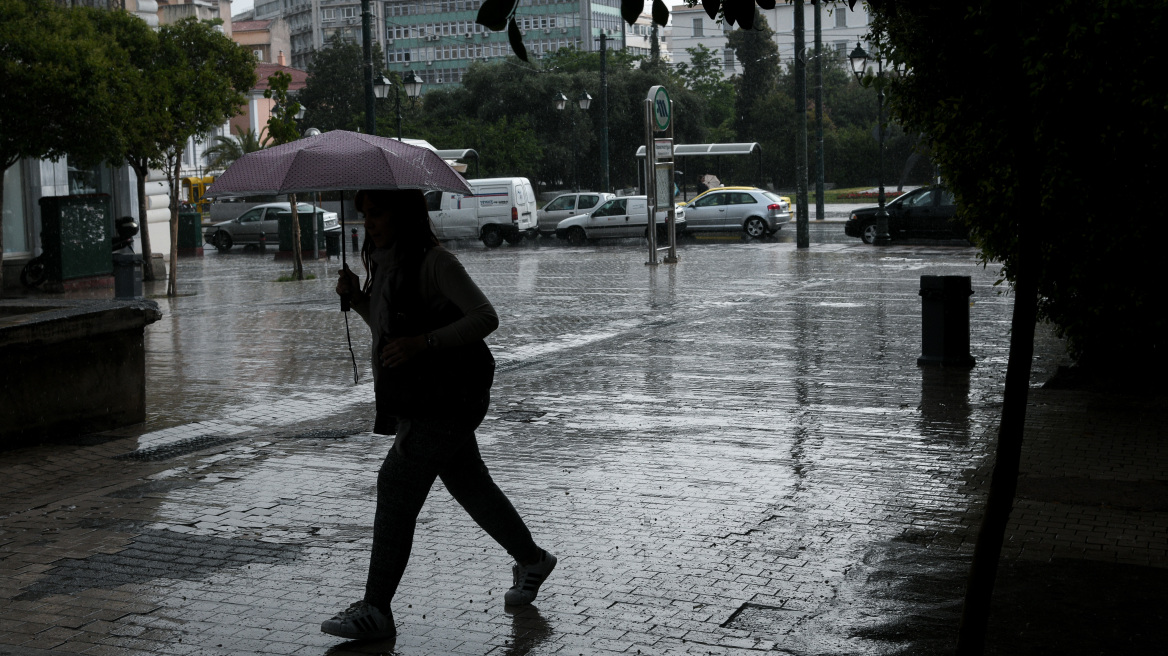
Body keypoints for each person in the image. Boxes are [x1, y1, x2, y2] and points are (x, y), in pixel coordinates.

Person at [323, 188, 556, 641]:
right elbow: (389, 330)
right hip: (421, 396)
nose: (369, 223)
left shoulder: (437, 263)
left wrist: (425, 343)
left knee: (396, 484)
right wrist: (357, 298)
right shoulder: (387, 264)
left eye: (378, 213)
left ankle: (376, 609)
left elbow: (485, 316)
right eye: (365, 214)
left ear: (403, 215)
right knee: (469, 483)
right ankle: (533, 560)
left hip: (448, 398)